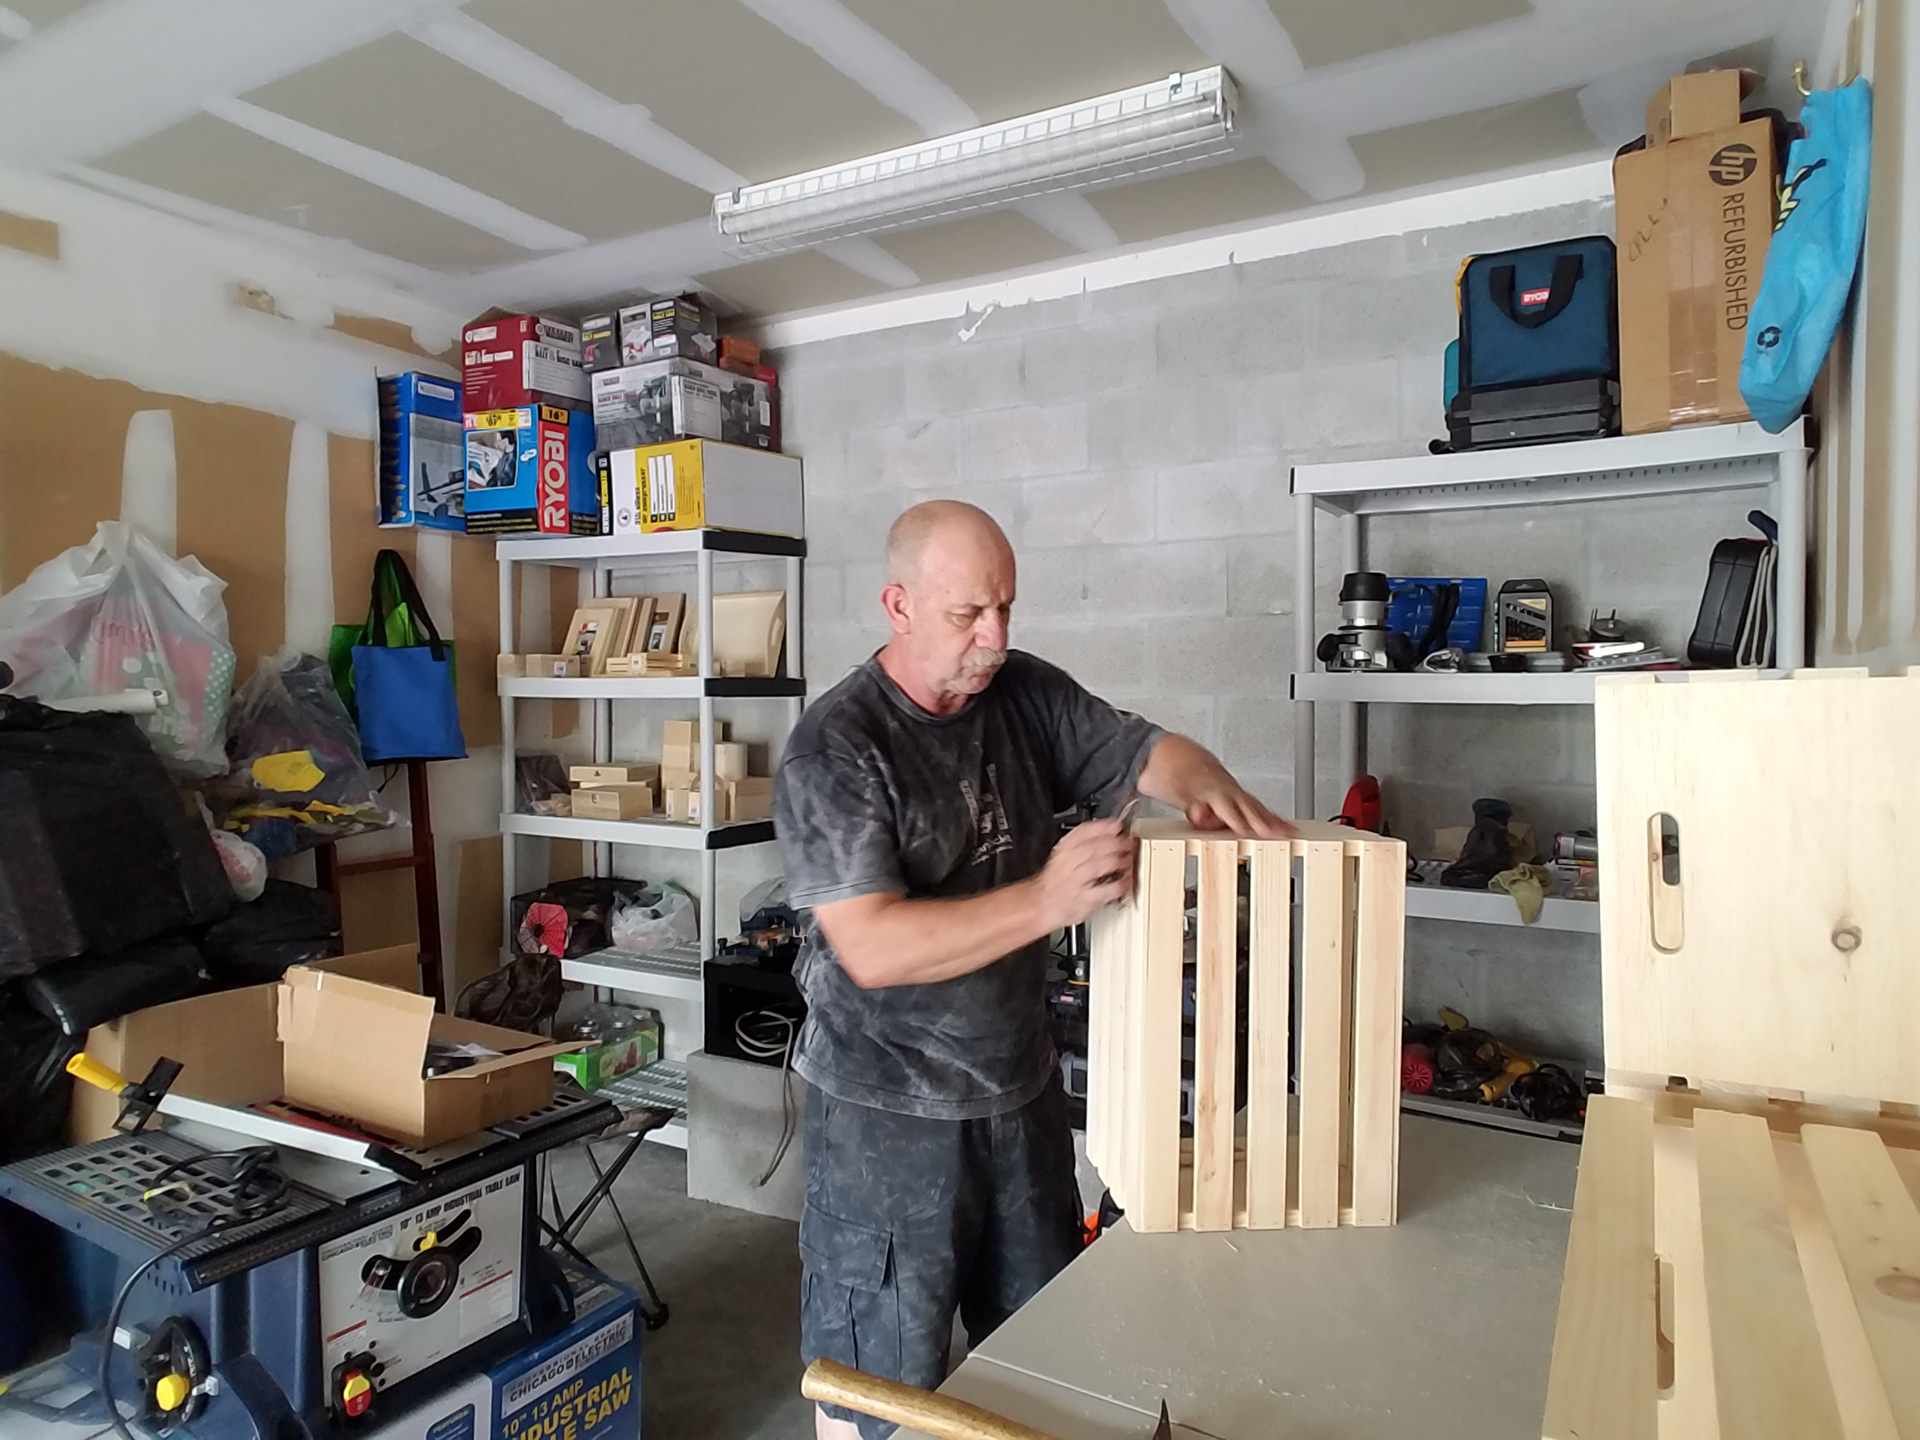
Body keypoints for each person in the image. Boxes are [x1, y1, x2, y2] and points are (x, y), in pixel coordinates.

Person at [774, 500, 1290, 1439]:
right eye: (968, 614)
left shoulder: (1023, 693)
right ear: (899, 605)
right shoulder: (837, 747)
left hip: (1019, 1091)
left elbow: (1145, 751)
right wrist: (1049, 900)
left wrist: (1209, 786)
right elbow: (873, 947)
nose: (996, 638)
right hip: (888, 1114)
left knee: (1052, 1356)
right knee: (878, 1386)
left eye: (1005, 608)